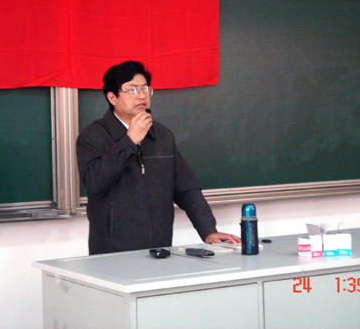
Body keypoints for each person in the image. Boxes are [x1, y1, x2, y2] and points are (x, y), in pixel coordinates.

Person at [77, 60, 240, 255]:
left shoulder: (162, 135)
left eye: (145, 88)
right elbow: (94, 182)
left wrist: (208, 231)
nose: (141, 95)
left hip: (160, 247)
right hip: (112, 251)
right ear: (112, 97)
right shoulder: (93, 136)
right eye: (132, 89)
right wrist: (129, 142)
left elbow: (187, 189)